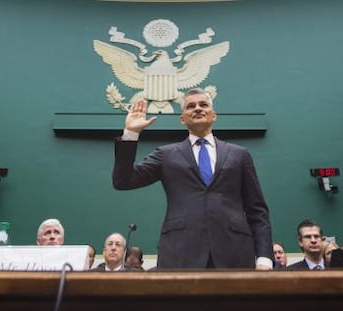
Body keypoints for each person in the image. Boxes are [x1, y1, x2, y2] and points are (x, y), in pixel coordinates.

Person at [112, 88, 273, 270]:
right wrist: (131, 133)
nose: (197, 108)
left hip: (234, 252)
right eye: (190, 106)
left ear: (213, 115)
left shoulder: (239, 155)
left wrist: (264, 258)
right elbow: (123, 180)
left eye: (203, 105)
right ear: (183, 119)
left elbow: (257, 210)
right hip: (180, 252)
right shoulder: (166, 154)